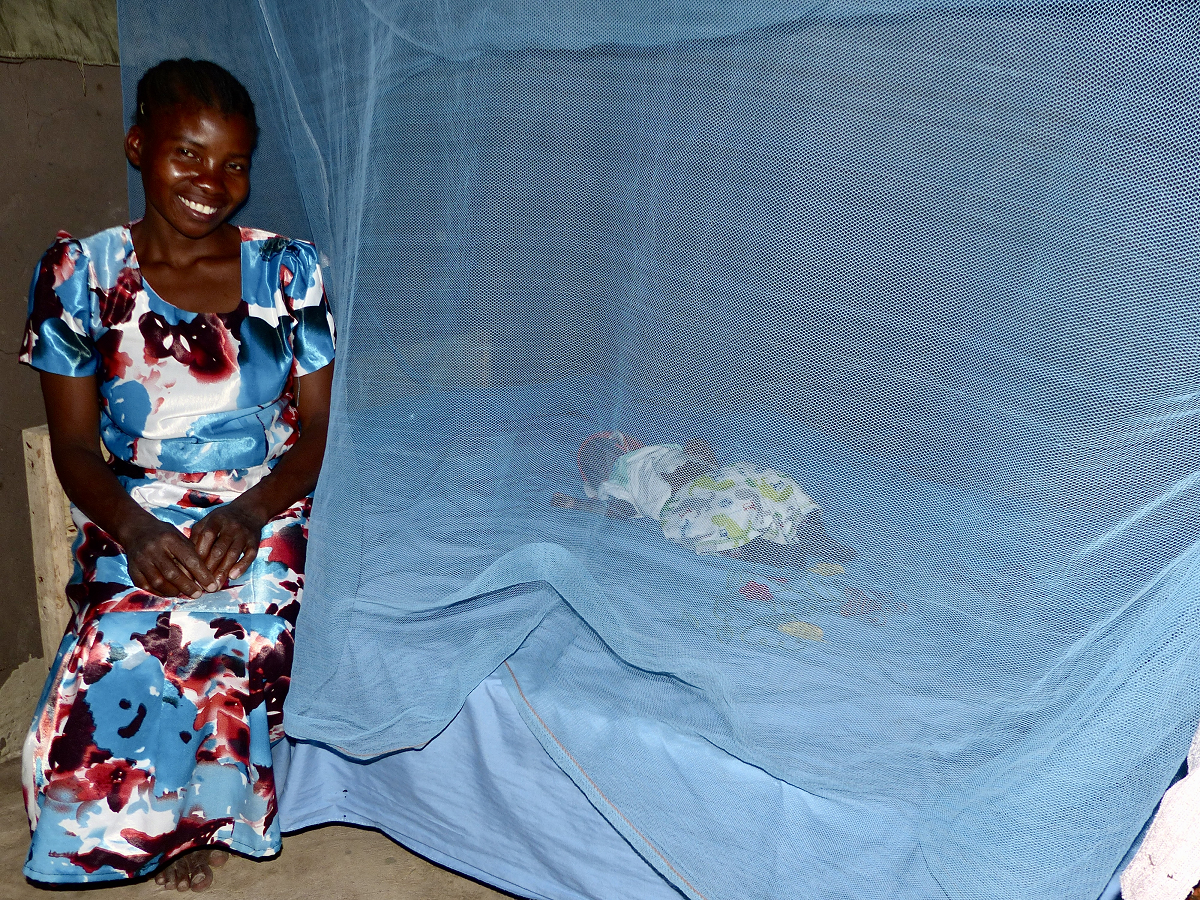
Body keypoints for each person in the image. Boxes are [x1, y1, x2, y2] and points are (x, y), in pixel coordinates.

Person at [18, 59, 335, 892]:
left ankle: (213, 816)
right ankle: (155, 825)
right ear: (137, 146)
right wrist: (136, 530)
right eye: (187, 155)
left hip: (273, 496)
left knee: (254, 626)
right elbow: (77, 450)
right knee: (129, 636)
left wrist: (250, 515)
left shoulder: (289, 270)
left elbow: (315, 436)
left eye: (233, 163)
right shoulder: (78, 276)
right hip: (137, 503)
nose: (212, 182)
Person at [552, 432, 854, 566]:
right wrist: (577, 504)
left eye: (606, 451)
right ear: (595, 477)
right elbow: (618, 510)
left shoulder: (654, 450)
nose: (606, 460)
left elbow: (700, 451)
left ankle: (816, 536)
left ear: (621, 445)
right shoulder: (616, 485)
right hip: (682, 499)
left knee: (770, 484)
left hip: (717, 476)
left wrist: (696, 453)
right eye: (597, 462)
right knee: (722, 516)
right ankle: (761, 550)